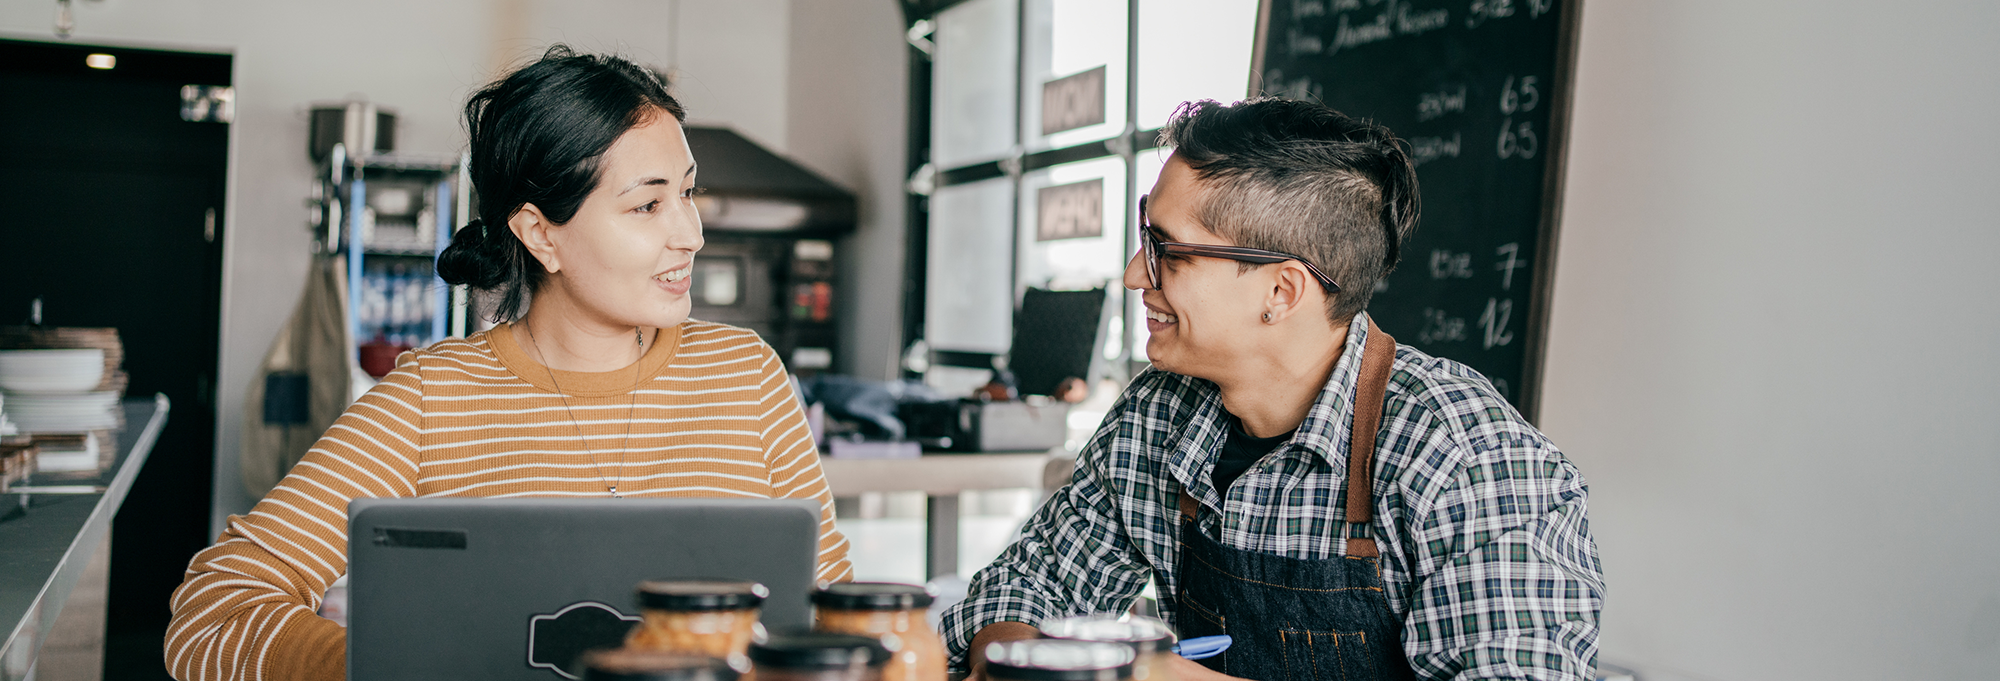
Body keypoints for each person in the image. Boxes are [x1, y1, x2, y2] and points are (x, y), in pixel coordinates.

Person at [166, 46, 852, 681]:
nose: (691, 232)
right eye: (647, 203)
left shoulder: (746, 373)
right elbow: (212, 610)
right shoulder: (432, 397)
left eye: (688, 192)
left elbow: (838, 607)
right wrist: (389, 664)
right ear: (539, 233)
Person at [939, 98, 1603, 680]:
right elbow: (1022, 590)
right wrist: (1015, 660)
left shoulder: (1464, 455)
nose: (1135, 273)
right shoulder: (1156, 418)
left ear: (1281, 290)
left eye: (1166, 248)